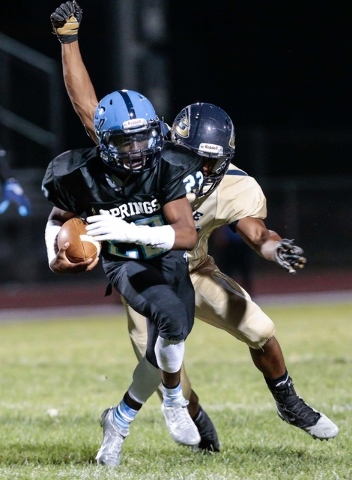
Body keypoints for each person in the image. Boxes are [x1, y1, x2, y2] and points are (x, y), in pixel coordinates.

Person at [50, 0, 339, 453]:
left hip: (195, 269)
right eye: (190, 156)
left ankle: (287, 400)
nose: (198, 169)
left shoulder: (236, 187)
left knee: (260, 329)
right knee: (170, 378)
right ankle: (198, 422)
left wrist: (275, 249)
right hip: (145, 270)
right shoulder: (145, 151)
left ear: (225, 161)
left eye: (209, 162)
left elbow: (256, 233)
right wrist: (69, 41)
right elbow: (89, 109)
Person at [42, 88, 208, 467]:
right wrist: (55, 253)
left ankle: (118, 421)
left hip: (168, 259)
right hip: (126, 264)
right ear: (103, 141)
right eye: (123, 140)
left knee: (162, 350)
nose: (134, 149)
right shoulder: (81, 175)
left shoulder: (165, 165)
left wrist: (133, 230)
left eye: (141, 138)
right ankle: (173, 402)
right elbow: (55, 219)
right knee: (172, 319)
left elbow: (187, 234)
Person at [0, 145, 31, 216]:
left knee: (4, 170)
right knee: (4, 169)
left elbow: (6, 200)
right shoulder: (21, 199)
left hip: (8, 184)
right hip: (10, 182)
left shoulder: (18, 199)